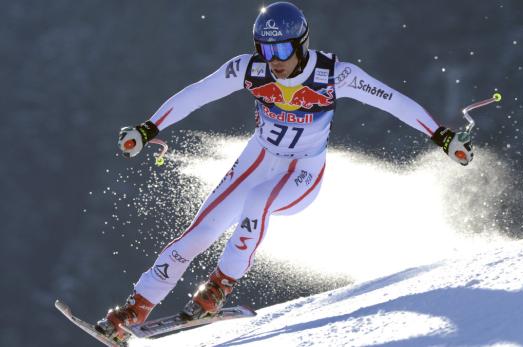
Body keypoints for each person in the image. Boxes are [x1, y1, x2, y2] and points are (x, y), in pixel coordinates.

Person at [95, 1, 474, 341]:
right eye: (265, 49)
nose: (273, 60)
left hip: (301, 173)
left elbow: (394, 102)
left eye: (280, 50)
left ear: (301, 44)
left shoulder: (334, 75)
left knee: (257, 204)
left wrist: (442, 137)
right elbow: (197, 93)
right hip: (258, 158)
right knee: (198, 232)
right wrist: (147, 130)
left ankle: (219, 286)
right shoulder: (249, 68)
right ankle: (136, 307)